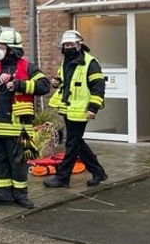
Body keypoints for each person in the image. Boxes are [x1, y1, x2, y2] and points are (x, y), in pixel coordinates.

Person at [0, 28, 50, 209]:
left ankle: (20, 196)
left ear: (11, 49)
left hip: (20, 128)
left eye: (2, 46)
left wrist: (19, 84)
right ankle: (2, 194)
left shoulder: (27, 67)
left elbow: (44, 85)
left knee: (19, 164)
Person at [43, 29, 108, 188]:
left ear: (79, 45)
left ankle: (62, 178)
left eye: (71, 44)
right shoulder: (65, 61)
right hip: (68, 109)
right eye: (65, 45)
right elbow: (64, 81)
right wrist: (56, 83)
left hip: (82, 111)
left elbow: (98, 87)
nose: (68, 47)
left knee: (72, 143)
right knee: (76, 142)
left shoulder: (91, 63)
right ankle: (98, 172)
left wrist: (93, 108)